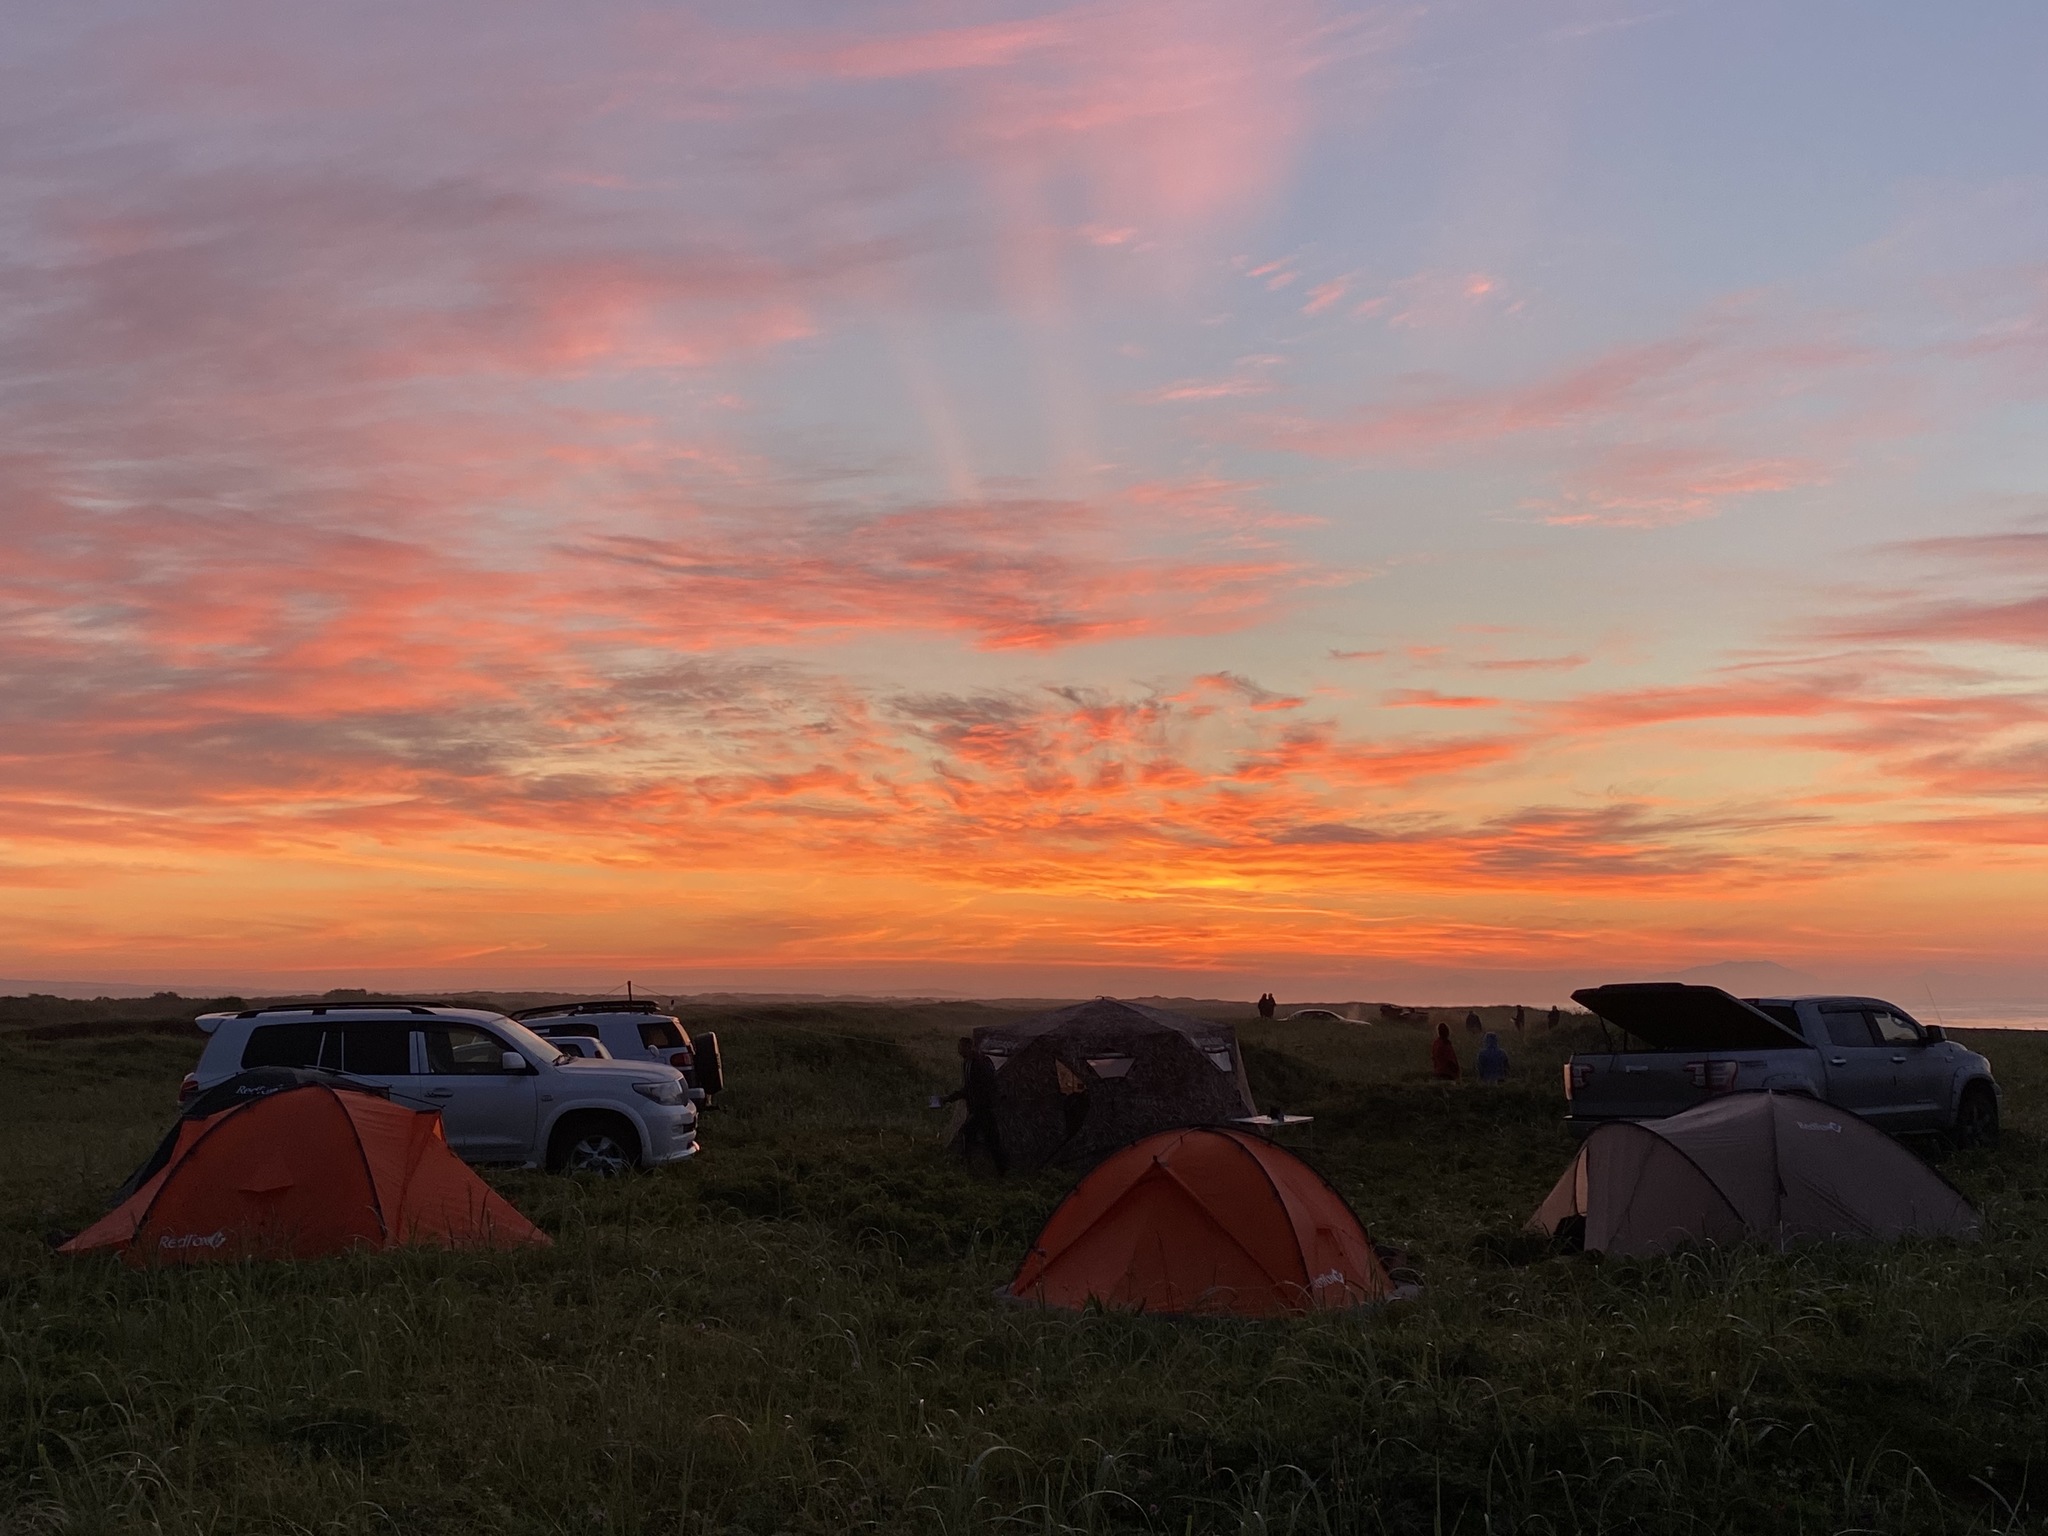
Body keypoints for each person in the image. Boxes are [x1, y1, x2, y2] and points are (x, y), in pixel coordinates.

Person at [942, 1036, 1007, 1175]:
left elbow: (988, 1086)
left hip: (984, 1109)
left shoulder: (981, 1062)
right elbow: (968, 1088)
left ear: (969, 1047)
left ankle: (1000, 1170)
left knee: (990, 1139)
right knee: (980, 1136)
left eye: (961, 1048)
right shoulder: (967, 1063)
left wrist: (983, 1103)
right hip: (977, 1109)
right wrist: (949, 1099)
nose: (959, 1051)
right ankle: (974, 1165)